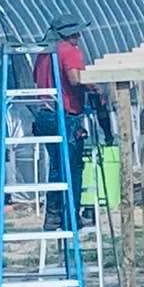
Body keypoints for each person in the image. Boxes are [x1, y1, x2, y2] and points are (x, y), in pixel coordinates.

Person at [32, 14, 97, 229]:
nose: (78, 36)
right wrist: (95, 89)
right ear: (68, 34)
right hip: (65, 115)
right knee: (72, 167)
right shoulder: (69, 50)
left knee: (57, 166)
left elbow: (36, 79)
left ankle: (53, 215)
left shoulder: (43, 54)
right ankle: (71, 216)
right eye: (75, 32)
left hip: (44, 115)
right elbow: (74, 79)